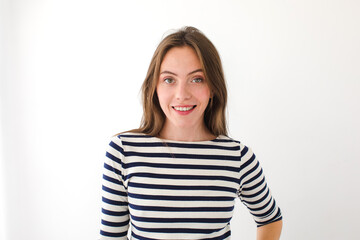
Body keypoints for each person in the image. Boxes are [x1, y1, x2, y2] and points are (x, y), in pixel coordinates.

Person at [100, 26, 283, 240]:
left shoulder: (237, 157)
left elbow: (270, 218)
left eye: (197, 79)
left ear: (213, 87)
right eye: (169, 80)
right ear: (154, 87)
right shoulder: (123, 151)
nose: (182, 95)